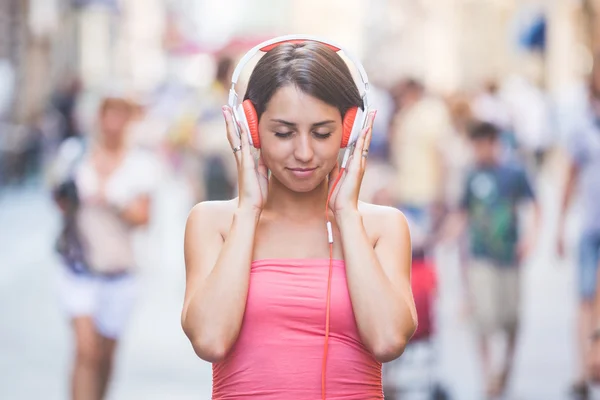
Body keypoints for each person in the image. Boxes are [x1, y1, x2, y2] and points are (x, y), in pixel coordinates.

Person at [181, 39, 417, 399]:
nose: (304, 153)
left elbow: (387, 341)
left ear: (351, 130)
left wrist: (347, 216)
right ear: (251, 129)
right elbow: (211, 340)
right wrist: (248, 211)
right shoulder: (213, 223)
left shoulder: (382, 228)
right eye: (283, 133)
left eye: (322, 133)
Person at [52, 94, 159, 400]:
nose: (112, 123)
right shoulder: (75, 153)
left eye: (119, 116)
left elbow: (144, 216)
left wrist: (111, 200)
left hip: (119, 270)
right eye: (107, 115)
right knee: (85, 350)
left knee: (105, 354)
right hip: (79, 266)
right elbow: (58, 199)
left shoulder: (141, 164)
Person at [441, 121, 539, 398]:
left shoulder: (515, 172)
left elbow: (533, 204)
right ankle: (488, 378)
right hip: (480, 257)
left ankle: (505, 366)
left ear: (495, 143)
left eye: (482, 144)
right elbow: (462, 212)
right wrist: (445, 237)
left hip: (509, 257)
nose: (478, 151)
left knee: (512, 319)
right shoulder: (471, 175)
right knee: (482, 319)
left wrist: (530, 237)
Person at [557, 62, 600, 400]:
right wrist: (559, 224)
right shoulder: (583, 122)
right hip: (591, 226)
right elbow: (569, 175)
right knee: (585, 298)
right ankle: (584, 369)